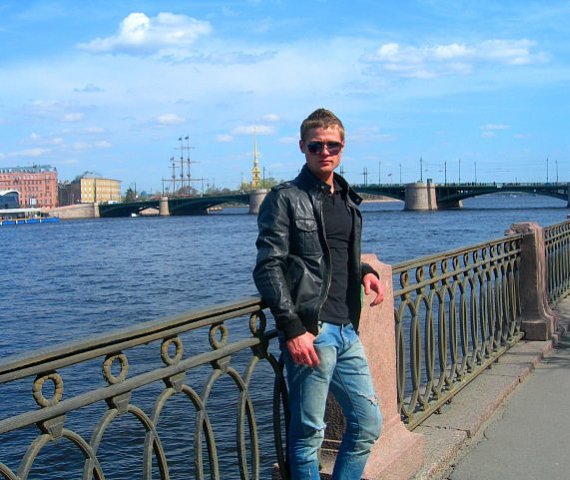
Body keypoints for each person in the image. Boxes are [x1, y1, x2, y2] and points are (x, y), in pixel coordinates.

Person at [253, 108, 384, 479]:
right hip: (313, 330)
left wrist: (365, 272)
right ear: (302, 147)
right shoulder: (285, 198)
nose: (324, 152)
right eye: (316, 146)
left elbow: (334, 254)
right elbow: (268, 266)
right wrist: (292, 327)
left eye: (332, 145)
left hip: (346, 328)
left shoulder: (346, 198)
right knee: (309, 435)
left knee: (368, 423)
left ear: (342, 147)